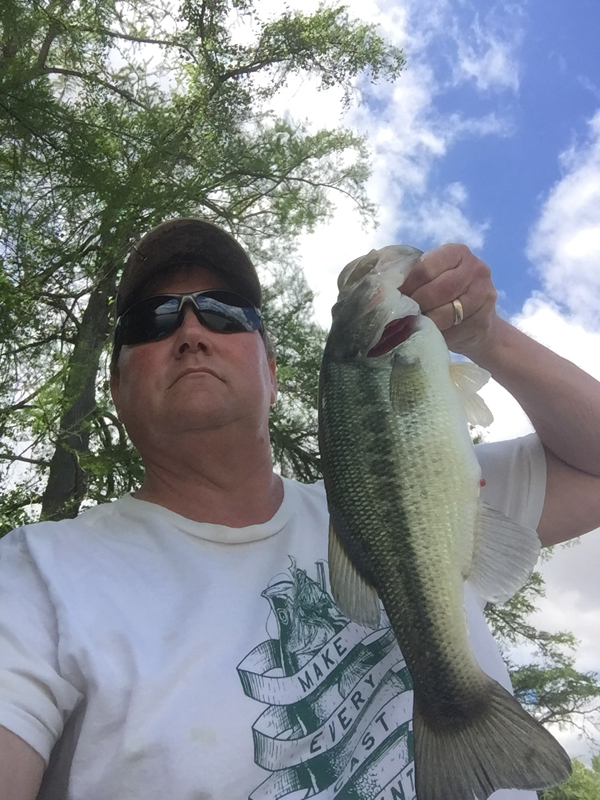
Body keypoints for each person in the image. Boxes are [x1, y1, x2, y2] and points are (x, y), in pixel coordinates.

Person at [0, 218, 599, 800]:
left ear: (272, 371)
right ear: (116, 391)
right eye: (151, 321)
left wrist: (489, 335)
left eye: (224, 311)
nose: (189, 333)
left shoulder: (398, 492)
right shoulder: (31, 579)